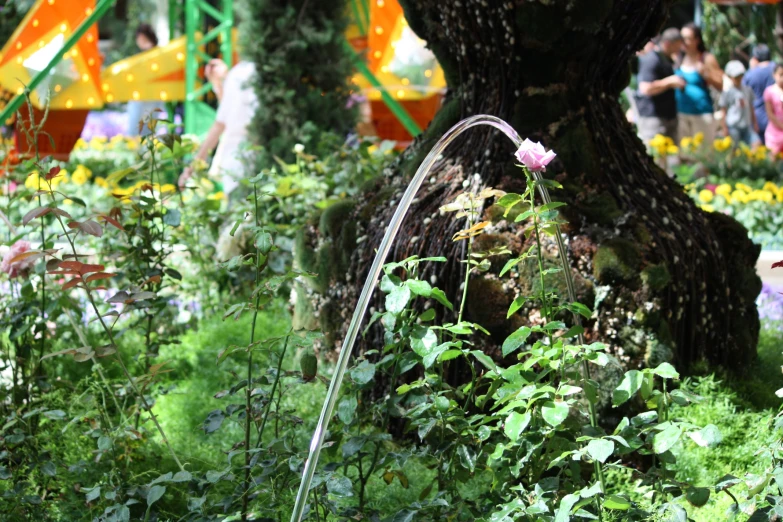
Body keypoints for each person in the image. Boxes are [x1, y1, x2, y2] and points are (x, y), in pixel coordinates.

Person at [178, 58, 258, 196]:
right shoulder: (238, 75)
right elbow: (223, 120)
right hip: (242, 161)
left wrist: (192, 168)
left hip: (239, 163)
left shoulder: (239, 74)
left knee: (242, 211)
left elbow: (220, 124)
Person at [675, 23, 723, 145]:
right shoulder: (677, 58)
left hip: (702, 114)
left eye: (688, 38)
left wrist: (706, 74)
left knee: (703, 155)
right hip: (681, 113)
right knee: (684, 155)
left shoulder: (706, 58)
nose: (684, 42)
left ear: (697, 40)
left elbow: (721, 84)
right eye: (682, 38)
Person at [635, 28, 686, 144]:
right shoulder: (651, 59)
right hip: (653, 118)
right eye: (677, 46)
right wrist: (669, 82)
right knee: (656, 155)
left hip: (668, 116)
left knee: (672, 158)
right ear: (668, 43)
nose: (679, 49)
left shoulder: (668, 59)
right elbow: (645, 88)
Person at [127, 24, 163, 136]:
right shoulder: (159, 52)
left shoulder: (148, 54)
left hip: (144, 95)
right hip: (153, 94)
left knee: (137, 128)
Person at [719, 61, 760, 146]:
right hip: (733, 126)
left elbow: (752, 108)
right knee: (734, 148)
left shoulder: (748, 90)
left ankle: (751, 159)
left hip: (746, 125)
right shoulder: (727, 92)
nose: (738, 78)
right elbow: (723, 111)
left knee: (756, 142)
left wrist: (755, 123)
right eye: (736, 77)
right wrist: (724, 128)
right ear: (730, 77)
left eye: (740, 76)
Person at [743, 44, 775, 144]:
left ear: (755, 58)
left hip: (758, 118)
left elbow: (743, 95)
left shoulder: (750, 74)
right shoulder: (778, 70)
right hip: (777, 117)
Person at [763, 63, 783, 155]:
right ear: (774, 75)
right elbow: (770, 113)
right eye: (781, 75)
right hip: (774, 133)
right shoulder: (769, 91)